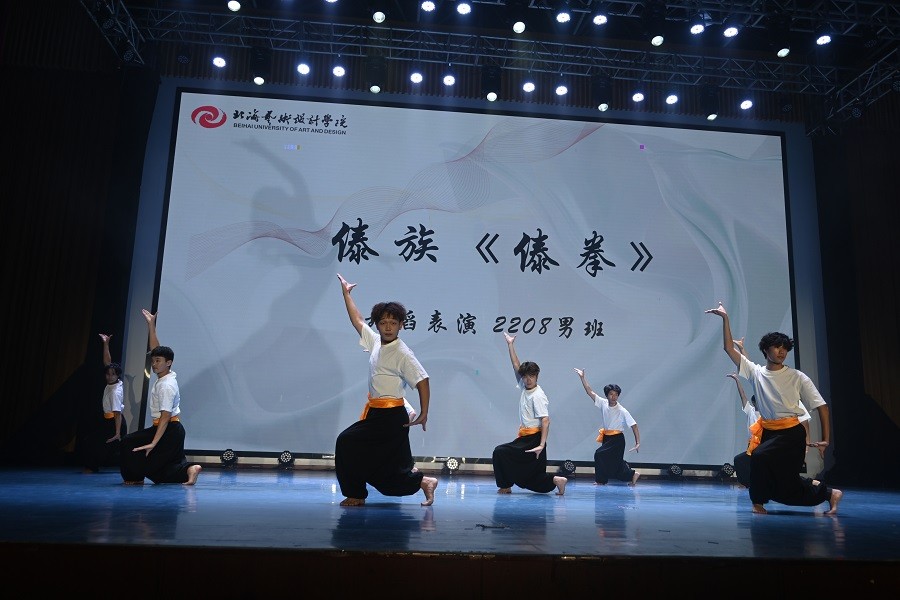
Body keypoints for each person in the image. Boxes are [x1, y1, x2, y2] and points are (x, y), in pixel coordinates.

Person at [705, 302, 841, 515]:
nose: (782, 351)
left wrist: (826, 439)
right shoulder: (756, 373)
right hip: (769, 433)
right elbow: (729, 348)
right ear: (765, 349)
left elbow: (822, 407)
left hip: (791, 434)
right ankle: (830, 494)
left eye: (785, 348)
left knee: (759, 456)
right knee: (785, 488)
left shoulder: (797, 377)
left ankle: (757, 503)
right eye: (777, 347)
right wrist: (725, 319)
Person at [333, 273, 437, 507]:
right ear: (378, 324)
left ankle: (356, 494)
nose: (388, 327)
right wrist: (346, 294)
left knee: (347, 442)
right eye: (383, 323)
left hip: (391, 417)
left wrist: (424, 413)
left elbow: (423, 380)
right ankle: (424, 482)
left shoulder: (402, 353)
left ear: (401, 325)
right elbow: (358, 320)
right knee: (379, 464)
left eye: (393, 323)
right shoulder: (376, 342)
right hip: (376, 413)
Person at [119, 309, 202, 485]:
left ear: (168, 363)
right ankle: (189, 469)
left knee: (132, 446)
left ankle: (136, 478)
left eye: (158, 361)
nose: (154, 364)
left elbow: (165, 416)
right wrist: (151, 325)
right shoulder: (166, 375)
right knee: (160, 467)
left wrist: (153, 443)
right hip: (171, 429)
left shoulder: (166, 385)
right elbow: (156, 349)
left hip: (169, 429)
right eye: (153, 360)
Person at [726, 338, 814, 489]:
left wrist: (806, 445)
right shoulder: (755, 411)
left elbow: (805, 421)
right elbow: (751, 370)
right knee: (759, 466)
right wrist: (738, 379)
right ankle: (756, 487)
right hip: (762, 445)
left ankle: (817, 487)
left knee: (785, 475)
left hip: (779, 443)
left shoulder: (785, 403)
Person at [491, 332, 567, 496]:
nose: (528, 379)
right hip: (526, 437)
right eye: (525, 376)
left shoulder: (537, 395)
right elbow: (516, 365)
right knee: (532, 477)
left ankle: (505, 486)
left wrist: (541, 445)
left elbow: (545, 420)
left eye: (531, 376)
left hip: (533, 439)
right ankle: (557, 480)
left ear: (537, 376)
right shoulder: (525, 387)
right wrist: (510, 345)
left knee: (500, 452)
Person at [573, 368, 641, 486]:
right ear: (607, 395)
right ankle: (633, 474)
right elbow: (589, 391)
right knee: (615, 463)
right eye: (611, 394)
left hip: (617, 439)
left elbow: (634, 425)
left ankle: (601, 480)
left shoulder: (622, 410)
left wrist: (637, 443)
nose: (614, 397)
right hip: (607, 437)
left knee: (599, 454)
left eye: (616, 394)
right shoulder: (603, 403)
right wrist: (582, 378)